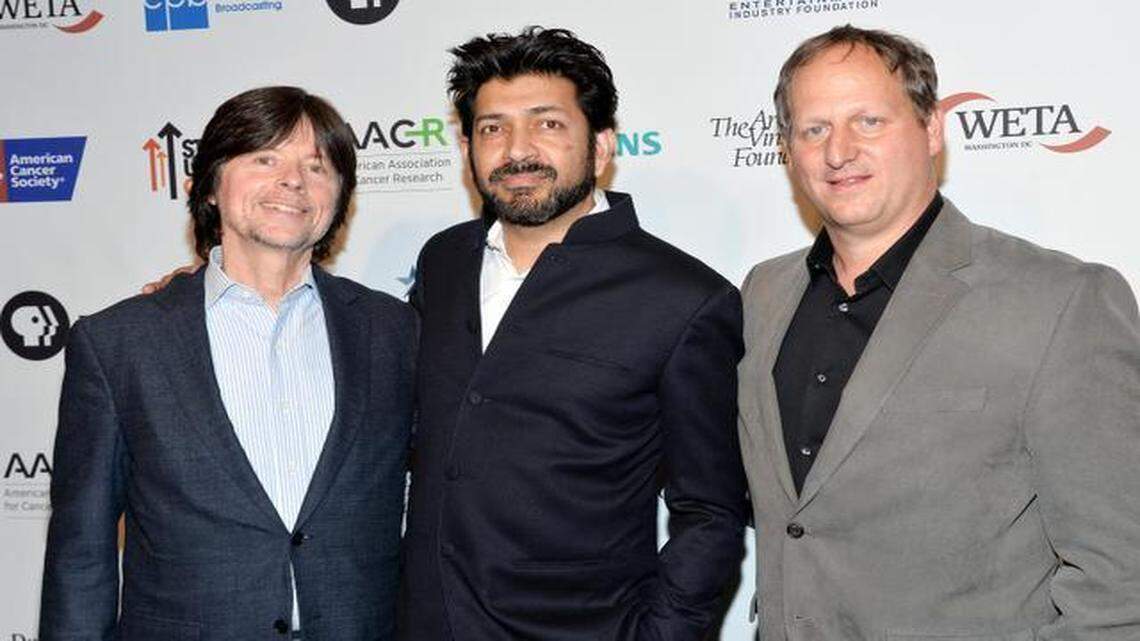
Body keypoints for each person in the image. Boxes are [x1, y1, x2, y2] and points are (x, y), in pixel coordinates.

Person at [737, 24, 1140, 639]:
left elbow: (1121, 578)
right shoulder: (763, 293)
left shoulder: (1062, 300)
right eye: (813, 129)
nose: (838, 151)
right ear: (787, 149)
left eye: (868, 121)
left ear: (931, 130)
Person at [400, 27, 749, 641]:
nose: (517, 150)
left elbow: (710, 512)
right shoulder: (443, 263)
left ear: (603, 144)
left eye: (547, 124)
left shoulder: (684, 298)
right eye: (492, 128)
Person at [40, 86, 416, 641]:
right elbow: (81, 555)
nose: (293, 180)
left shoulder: (396, 332)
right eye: (265, 158)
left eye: (318, 166)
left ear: (340, 197)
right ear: (212, 184)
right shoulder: (118, 343)